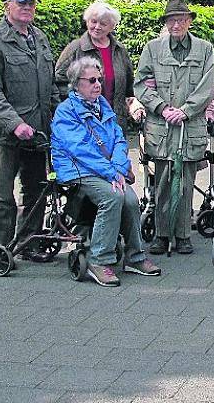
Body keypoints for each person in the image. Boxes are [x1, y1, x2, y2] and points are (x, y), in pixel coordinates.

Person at [50, 57, 161, 286]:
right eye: (91, 80)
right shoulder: (66, 111)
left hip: (107, 170)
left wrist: (119, 168)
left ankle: (135, 257)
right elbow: (80, 150)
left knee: (130, 199)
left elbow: (119, 139)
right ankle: (99, 260)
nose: (97, 84)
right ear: (76, 83)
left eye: (99, 79)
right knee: (113, 196)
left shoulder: (102, 104)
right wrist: (112, 172)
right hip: (77, 170)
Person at [0, 0, 60, 251]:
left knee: (36, 191)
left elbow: (52, 86)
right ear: (8, 6)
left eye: (31, 4)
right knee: (4, 197)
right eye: (22, 3)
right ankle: (0, 248)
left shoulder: (40, 38)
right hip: (7, 136)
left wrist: (58, 119)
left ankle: (28, 244)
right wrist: (16, 124)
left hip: (38, 132)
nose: (28, 8)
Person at [134, 0, 214, 256]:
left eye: (181, 19)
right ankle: (161, 234)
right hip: (160, 127)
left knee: (186, 182)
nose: (176, 23)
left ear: (190, 21)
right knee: (162, 181)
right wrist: (163, 108)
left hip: (190, 127)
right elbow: (140, 85)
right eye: (172, 19)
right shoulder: (152, 49)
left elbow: (207, 87)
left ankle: (182, 235)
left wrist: (185, 111)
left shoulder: (204, 49)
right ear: (166, 23)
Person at [55, 1, 145, 128]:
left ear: (112, 27)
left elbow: (129, 86)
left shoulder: (120, 50)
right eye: (93, 21)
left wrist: (133, 106)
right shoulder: (75, 48)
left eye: (103, 23)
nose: (97, 26)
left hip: (115, 121)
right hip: (83, 122)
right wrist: (77, 103)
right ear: (87, 21)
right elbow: (59, 81)